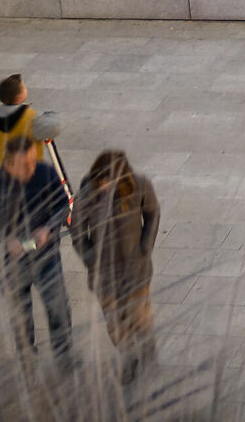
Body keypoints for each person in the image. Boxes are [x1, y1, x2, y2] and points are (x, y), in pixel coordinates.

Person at [0, 132, 74, 365]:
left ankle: (64, 357)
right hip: (8, 266)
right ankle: (27, 358)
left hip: (46, 257)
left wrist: (47, 228)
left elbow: (63, 206)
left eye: (33, 162)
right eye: (25, 165)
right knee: (20, 316)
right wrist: (2, 241)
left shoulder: (45, 174)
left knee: (58, 307)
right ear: (8, 164)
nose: (31, 169)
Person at [74, 148, 161, 382]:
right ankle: (129, 357)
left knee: (140, 318)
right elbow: (77, 232)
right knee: (114, 324)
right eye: (102, 182)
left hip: (135, 270)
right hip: (105, 274)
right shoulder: (86, 195)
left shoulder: (139, 186)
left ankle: (147, 352)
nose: (105, 187)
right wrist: (91, 258)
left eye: (110, 182)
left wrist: (145, 245)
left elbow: (152, 213)